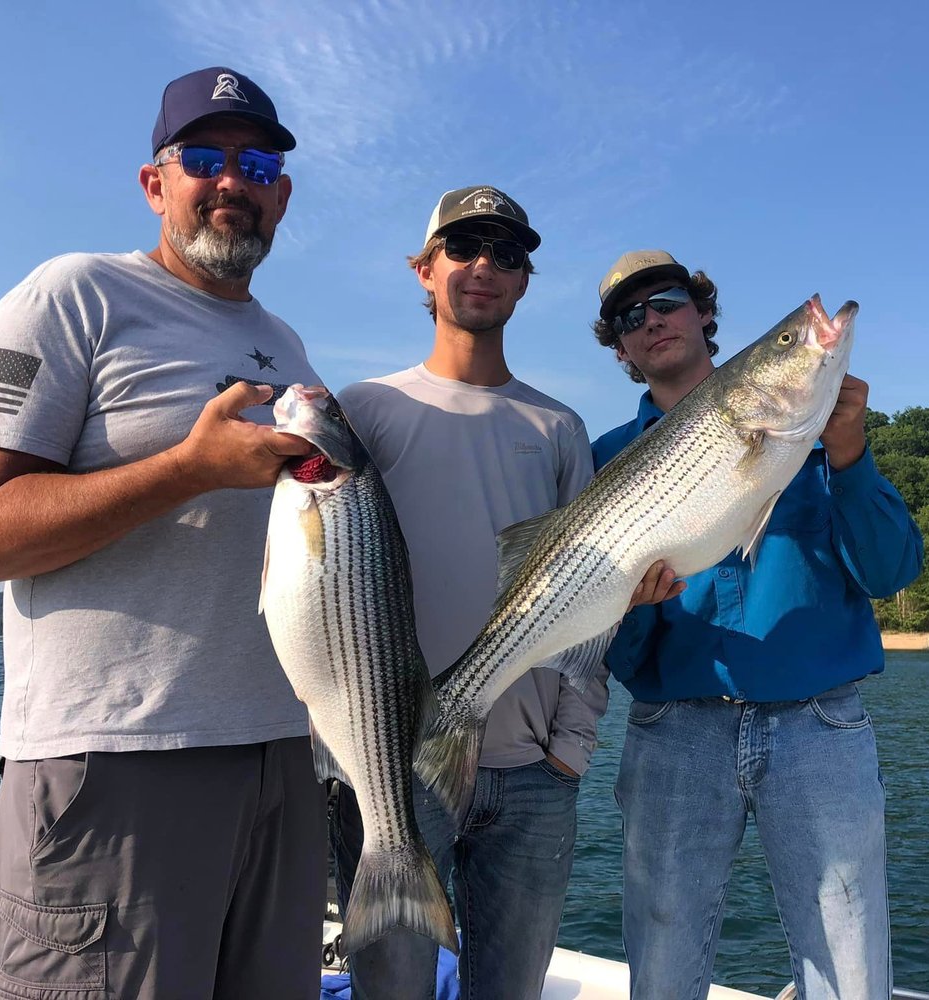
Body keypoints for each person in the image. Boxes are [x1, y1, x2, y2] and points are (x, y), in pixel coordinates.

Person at [0, 67, 328, 1000]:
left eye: (256, 161)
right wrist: (186, 470)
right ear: (156, 183)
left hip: (282, 760)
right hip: (117, 764)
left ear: (281, 192)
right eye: (203, 157)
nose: (230, 179)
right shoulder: (70, 296)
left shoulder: (288, 344)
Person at [589, 250, 925, 1000]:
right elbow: (611, 641)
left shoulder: (816, 432)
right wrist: (633, 609)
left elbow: (891, 570)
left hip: (819, 727)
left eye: (667, 301)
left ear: (703, 314)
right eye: (628, 318)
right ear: (618, 347)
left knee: (848, 958)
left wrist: (849, 454)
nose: (651, 322)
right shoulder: (607, 458)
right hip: (671, 729)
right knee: (663, 951)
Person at [329, 186, 608, 1000]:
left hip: (532, 775)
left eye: (507, 253)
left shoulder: (559, 428)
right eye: (463, 247)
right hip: (394, 767)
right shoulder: (361, 412)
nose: (483, 265)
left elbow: (595, 592)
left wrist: (571, 748)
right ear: (423, 270)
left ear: (524, 283)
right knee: (391, 992)